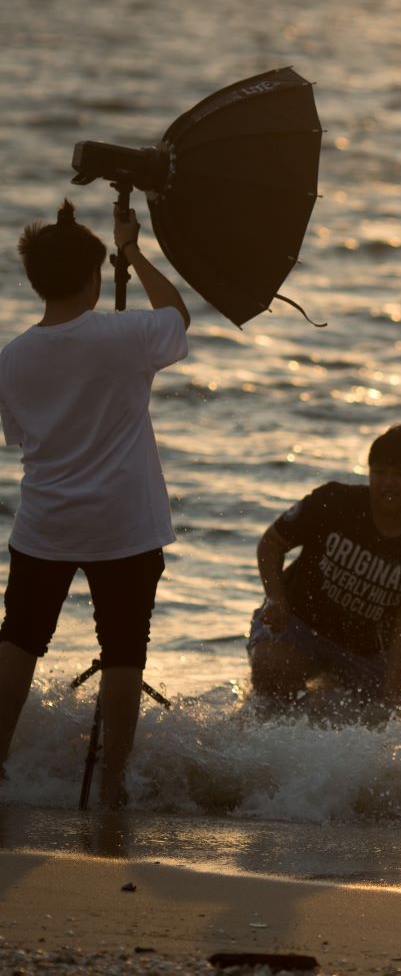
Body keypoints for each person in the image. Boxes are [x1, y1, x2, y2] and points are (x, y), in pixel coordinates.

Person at [0, 199, 190, 805]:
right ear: (95, 277)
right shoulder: (124, 335)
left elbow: (24, 435)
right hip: (125, 525)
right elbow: (177, 317)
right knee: (124, 647)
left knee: (20, 638)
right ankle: (113, 780)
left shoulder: (11, 358)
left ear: (35, 282)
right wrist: (133, 249)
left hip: (45, 522)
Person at [248, 424, 401, 717]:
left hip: (365, 652)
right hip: (298, 624)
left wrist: (393, 692)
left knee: (385, 720)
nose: (388, 483)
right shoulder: (334, 501)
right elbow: (272, 543)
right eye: (380, 472)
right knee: (272, 670)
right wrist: (275, 598)